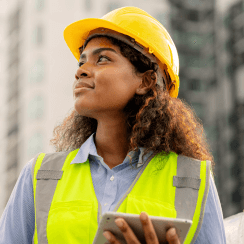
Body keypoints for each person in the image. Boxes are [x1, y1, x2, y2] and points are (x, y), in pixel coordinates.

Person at [0, 6, 226, 244]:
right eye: (82, 62)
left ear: (146, 81)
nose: (81, 72)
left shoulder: (193, 180)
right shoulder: (39, 178)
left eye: (103, 59)